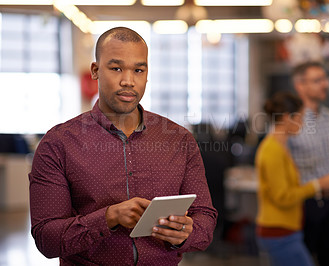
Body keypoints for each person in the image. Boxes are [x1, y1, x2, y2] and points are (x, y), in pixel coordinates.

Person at [29, 27, 217, 265]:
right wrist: (108, 217)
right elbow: (46, 239)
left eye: (138, 70)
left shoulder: (179, 140)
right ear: (96, 70)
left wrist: (186, 234)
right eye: (116, 68)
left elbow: (205, 218)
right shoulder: (58, 144)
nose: (128, 81)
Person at [255, 92, 329, 266]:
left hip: (286, 230)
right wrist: (318, 185)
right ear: (287, 118)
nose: (302, 123)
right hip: (278, 232)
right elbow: (283, 197)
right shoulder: (272, 150)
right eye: (300, 118)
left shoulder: (281, 147)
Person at [288, 61, 329, 266]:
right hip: (303, 204)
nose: (325, 84)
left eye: (324, 79)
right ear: (300, 86)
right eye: (317, 80)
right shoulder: (290, 121)